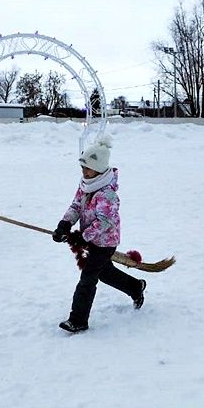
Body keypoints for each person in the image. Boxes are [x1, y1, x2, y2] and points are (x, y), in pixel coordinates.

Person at [53, 136, 146, 333]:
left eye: (88, 168)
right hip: (90, 239)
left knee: (88, 278)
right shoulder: (86, 185)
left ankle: (78, 320)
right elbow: (76, 206)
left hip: (105, 242)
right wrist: (65, 224)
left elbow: (105, 222)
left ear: (100, 169)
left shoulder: (107, 193)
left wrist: (82, 237)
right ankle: (136, 287)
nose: (84, 172)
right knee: (105, 273)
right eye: (82, 168)